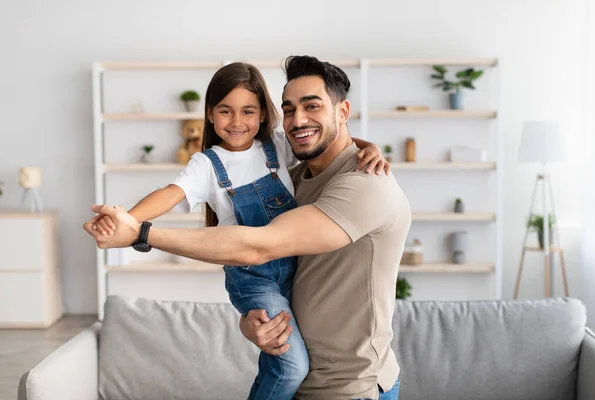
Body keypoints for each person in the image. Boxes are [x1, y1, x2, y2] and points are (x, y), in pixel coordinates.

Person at [88, 61, 392, 400]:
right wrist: (125, 223)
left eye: (248, 111)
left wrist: (370, 147)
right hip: (253, 277)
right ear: (210, 115)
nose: (236, 122)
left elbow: (332, 136)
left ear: (262, 115)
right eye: (225, 112)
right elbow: (170, 194)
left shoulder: (279, 148)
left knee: (284, 360)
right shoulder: (208, 164)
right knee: (289, 365)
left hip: (308, 306)